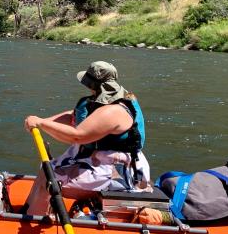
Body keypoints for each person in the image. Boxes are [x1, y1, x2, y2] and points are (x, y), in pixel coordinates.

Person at [23, 60, 151, 198]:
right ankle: (32, 210)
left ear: (93, 85)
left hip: (117, 171)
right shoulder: (102, 103)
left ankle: (38, 216)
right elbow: (72, 116)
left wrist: (41, 124)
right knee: (46, 169)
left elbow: (78, 136)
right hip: (96, 160)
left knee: (49, 178)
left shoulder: (113, 111)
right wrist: (41, 122)